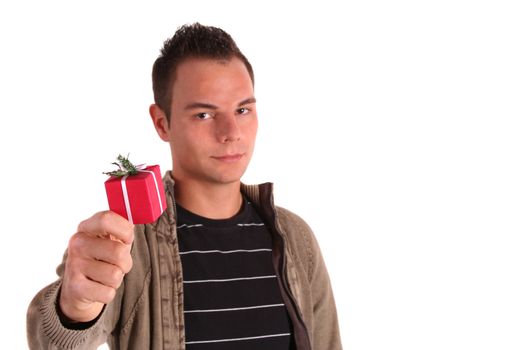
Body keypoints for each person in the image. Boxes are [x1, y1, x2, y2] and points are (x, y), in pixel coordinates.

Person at [27, 23, 341, 350]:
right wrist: (75, 307)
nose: (231, 131)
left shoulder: (295, 237)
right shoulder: (124, 240)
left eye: (243, 109)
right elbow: (54, 341)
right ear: (162, 123)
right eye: (204, 114)